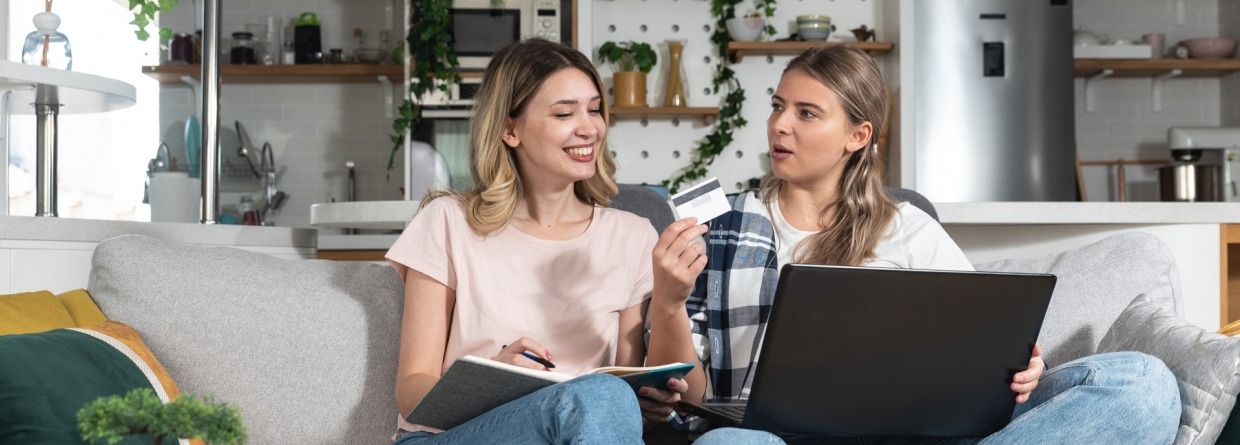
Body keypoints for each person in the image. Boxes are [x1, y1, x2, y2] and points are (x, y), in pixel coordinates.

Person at [647, 45, 1182, 444]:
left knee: (1142, 380)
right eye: (777, 106)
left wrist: (1019, 372)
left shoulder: (908, 227)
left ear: (857, 135)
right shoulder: (718, 222)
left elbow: (977, 353)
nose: (779, 126)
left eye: (807, 113)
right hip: (774, 437)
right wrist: (669, 300)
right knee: (730, 443)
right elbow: (692, 399)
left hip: (910, 435)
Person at [386, 38, 686, 444]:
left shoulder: (632, 235)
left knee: (617, 400)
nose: (589, 127)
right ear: (510, 129)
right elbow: (411, 392)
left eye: (595, 109)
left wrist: (643, 405)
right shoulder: (447, 222)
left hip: (580, 430)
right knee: (597, 398)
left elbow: (620, 389)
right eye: (565, 113)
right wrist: (489, 381)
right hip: (451, 436)